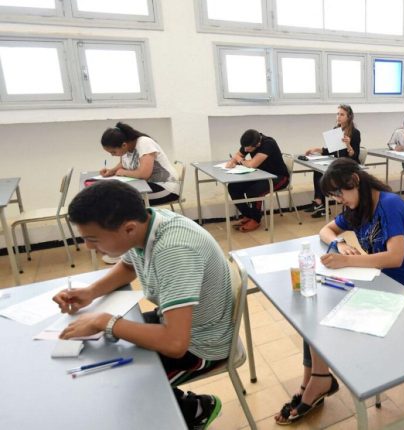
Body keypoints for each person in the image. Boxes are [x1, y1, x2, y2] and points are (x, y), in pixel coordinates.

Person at [53, 181, 233, 430]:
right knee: (108, 357)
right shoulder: (147, 224)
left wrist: (105, 321)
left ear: (128, 228)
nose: (89, 247)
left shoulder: (174, 249)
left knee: (122, 391)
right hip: (176, 326)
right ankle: (183, 406)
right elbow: (129, 266)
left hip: (203, 346)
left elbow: (175, 344)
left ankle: (197, 409)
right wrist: (91, 292)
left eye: (92, 239)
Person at [274, 158, 404, 425]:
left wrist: (347, 261)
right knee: (312, 307)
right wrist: (339, 244)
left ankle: (318, 380)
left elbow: (396, 257)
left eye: (341, 194)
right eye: (335, 196)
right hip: (372, 281)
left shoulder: (389, 205)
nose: (340, 200)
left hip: (396, 291)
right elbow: (326, 230)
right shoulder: (358, 206)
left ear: (355, 181)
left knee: (318, 316)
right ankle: (314, 379)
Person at [99, 122, 180, 206]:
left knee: (120, 200)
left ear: (124, 145)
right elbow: (123, 164)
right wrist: (111, 171)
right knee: (113, 195)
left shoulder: (144, 143)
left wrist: (123, 172)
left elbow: (144, 174)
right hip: (146, 186)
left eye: (113, 152)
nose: (112, 155)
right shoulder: (126, 149)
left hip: (165, 188)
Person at [226, 129, 290, 232]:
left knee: (253, 191)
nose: (245, 150)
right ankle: (248, 215)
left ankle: (256, 220)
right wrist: (232, 162)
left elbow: (252, 164)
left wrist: (240, 160)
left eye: (248, 149)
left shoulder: (268, 143)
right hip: (260, 175)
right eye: (244, 147)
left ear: (258, 144)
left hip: (278, 177)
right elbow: (238, 155)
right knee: (233, 187)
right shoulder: (250, 140)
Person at [304, 105, 361, 218]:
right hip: (337, 162)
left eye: (342, 114)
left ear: (349, 117)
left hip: (349, 164)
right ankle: (319, 203)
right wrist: (316, 149)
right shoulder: (336, 130)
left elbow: (354, 155)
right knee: (317, 170)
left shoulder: (355, 133)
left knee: (326, 174)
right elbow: (330, 150)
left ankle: (324, 205)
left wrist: (348, 144)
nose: (338, 117)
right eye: (337, 114)